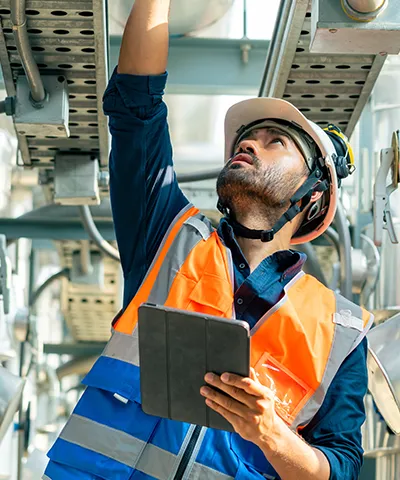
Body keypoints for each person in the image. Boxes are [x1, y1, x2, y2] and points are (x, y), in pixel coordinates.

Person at [43, 1, 373, 479]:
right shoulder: (169, 234)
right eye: (247, 138)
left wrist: (272, 435)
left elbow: (339, 466)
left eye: (273, 141)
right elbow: (136, 108)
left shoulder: (342, 331)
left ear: (313, 195)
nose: (248, 144)